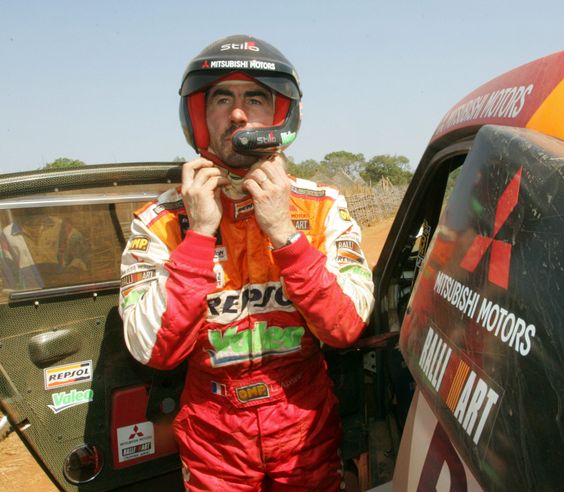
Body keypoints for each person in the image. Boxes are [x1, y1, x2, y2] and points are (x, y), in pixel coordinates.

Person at [119, 35, 374, 491]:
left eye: (254, 98)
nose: (238, 114)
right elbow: (154, 352)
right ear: (199, 116)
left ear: (279, 115)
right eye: (222, 98)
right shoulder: (159, 222)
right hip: (213, 431)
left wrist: (284, 234)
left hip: (305, 419)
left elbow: (345, 328)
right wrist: (197, 235)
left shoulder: (322, 207)